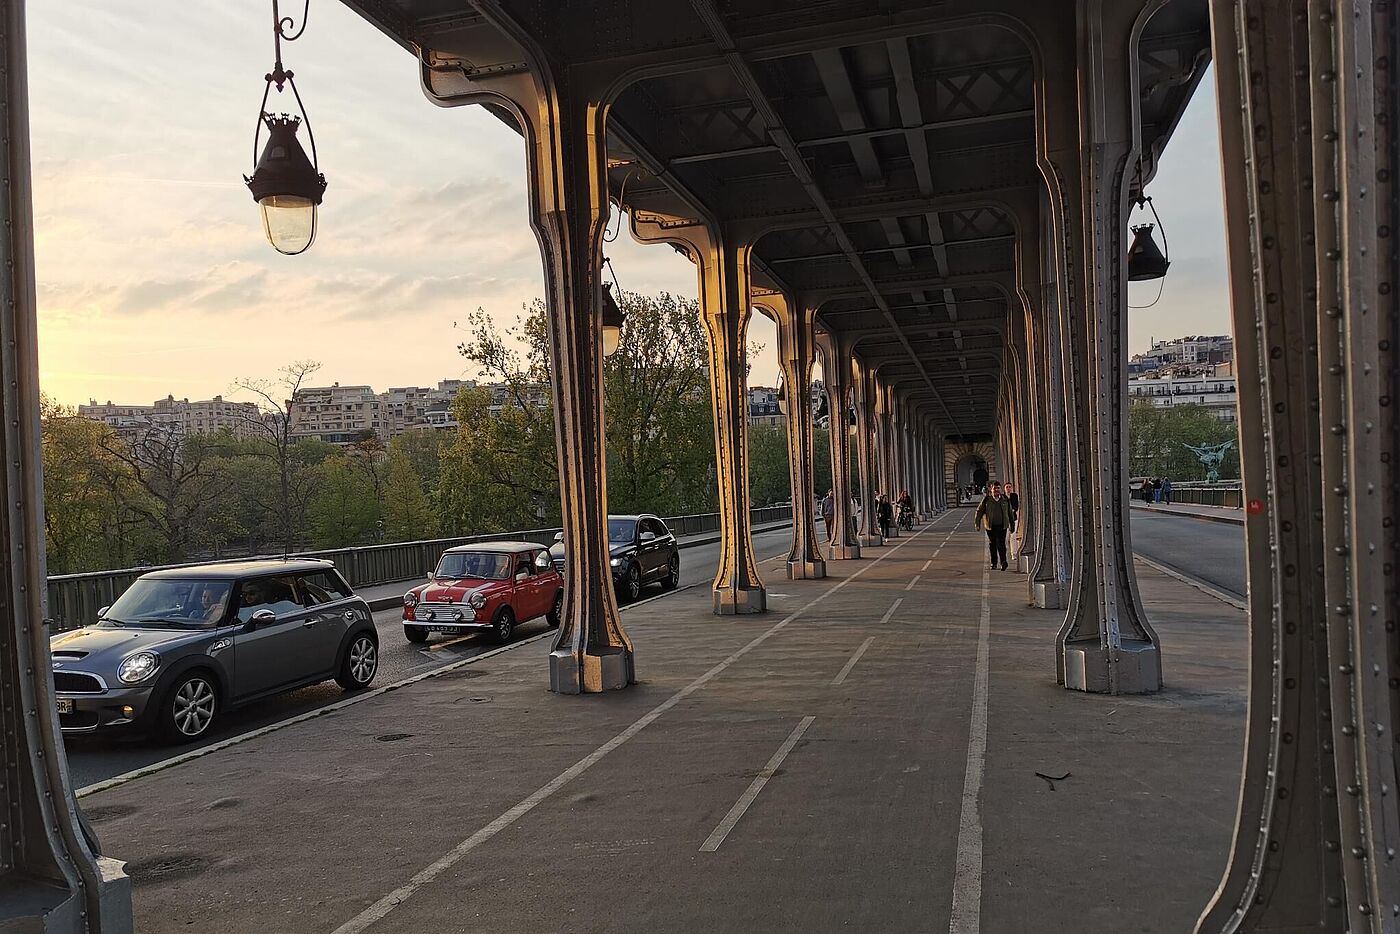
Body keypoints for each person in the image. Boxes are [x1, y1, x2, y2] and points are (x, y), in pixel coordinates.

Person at [974, 481, 1013, 570]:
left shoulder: (1005, 499)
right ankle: (994, 562)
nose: (996, 490)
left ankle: (1003, 562)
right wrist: (977, 524)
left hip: (1002, 526)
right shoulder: (987, 500)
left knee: (1001, 543)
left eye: (998, 488)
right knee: (993, 544)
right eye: (994, 488)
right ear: (991, 489)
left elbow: (1010, 513)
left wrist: (1012, 525)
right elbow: (979, 511)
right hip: (990, 526)